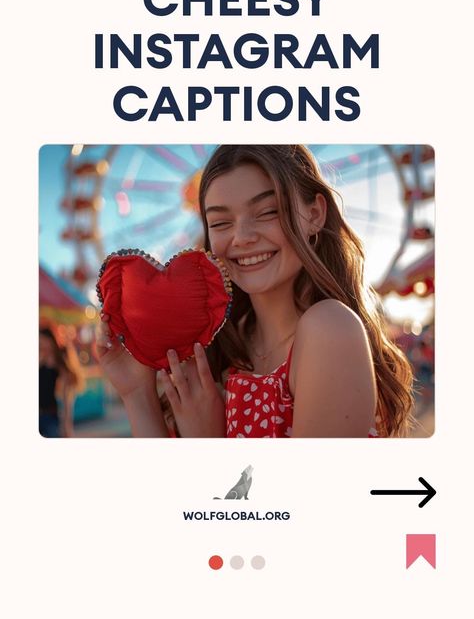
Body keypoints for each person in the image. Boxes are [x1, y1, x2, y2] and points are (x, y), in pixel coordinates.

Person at [97, 145, 414, 437]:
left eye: (268, 212)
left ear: (315, 214)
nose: (242, 237)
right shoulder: (220, 349)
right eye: (221, 223)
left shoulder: (329, 328)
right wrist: (136, 393)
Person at [39, 328, 82, 437]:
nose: (40, 344)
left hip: (50, 415)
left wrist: (67, 425)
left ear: (50, 340)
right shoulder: (40, 358)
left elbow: (66, 398)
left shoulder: (59, 360)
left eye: (42, 341)